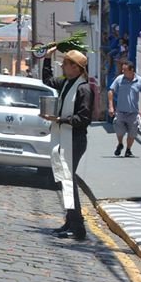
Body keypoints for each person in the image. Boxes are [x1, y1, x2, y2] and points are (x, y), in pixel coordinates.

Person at [40, 48, 93, 241]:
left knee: (68, 182)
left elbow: (84, 119)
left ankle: (77, 227)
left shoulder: (83, 89)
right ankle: (71, 222)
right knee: (65, 181)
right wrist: (47, 57)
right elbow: (47, 81)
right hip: (64, 137)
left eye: (65, 64)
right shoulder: (66, 83)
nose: (62, 66)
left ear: (76, 68)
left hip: (74, 140)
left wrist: (60, 119)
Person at [108, 61, 141, 157]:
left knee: (132, 133)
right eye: (122, 69)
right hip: (120, 112)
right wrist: (111, 106)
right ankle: (120, 144)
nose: (122, 71)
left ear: (132, 70)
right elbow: (111, 91)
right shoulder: (119, 79)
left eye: (125, 70)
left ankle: (128, 149)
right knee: (119, 130)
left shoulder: (140, 81)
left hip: (133, 113)